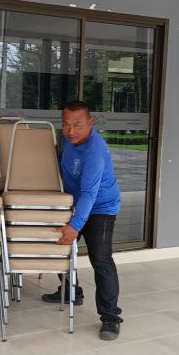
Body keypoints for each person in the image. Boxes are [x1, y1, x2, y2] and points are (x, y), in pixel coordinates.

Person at [42, 100, 124, 340]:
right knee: (61, 251)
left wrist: (75, 226)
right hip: (75, 203)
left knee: (101, 259)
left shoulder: (95, 153)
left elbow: (89, 193)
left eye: (77, 125)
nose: (71, 131)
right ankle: (71, 291)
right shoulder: (70, 141)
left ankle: (110, 317)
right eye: (66, 124)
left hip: (101, 208)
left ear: (91, 123)